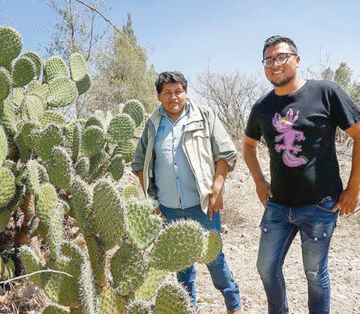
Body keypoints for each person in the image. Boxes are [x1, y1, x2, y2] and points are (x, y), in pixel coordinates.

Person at [243, 35, 360, 314]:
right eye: (268, 60)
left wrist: (354, 188)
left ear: (297, 60)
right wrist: (260, 181)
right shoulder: (262, 107)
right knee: (266, 267)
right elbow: (248, 145)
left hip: (320, 205)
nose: (275, 64)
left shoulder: (326, 92)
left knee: (314, 274)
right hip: (278, 206)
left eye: (282, 57)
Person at [132, 71, 242, 314]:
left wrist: (217, 188)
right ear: (159, 96)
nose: (174, 97)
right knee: (181, 262)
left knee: (214, 258)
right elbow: (138, 165)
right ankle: (187, 306)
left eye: (178, 91)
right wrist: (151, 201)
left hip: (202, 204)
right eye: (167, 92)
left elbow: (225, 153)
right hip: (168, 207)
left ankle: (234, 305)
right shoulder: (152, 124)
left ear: (185, 92)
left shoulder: (204, 116)